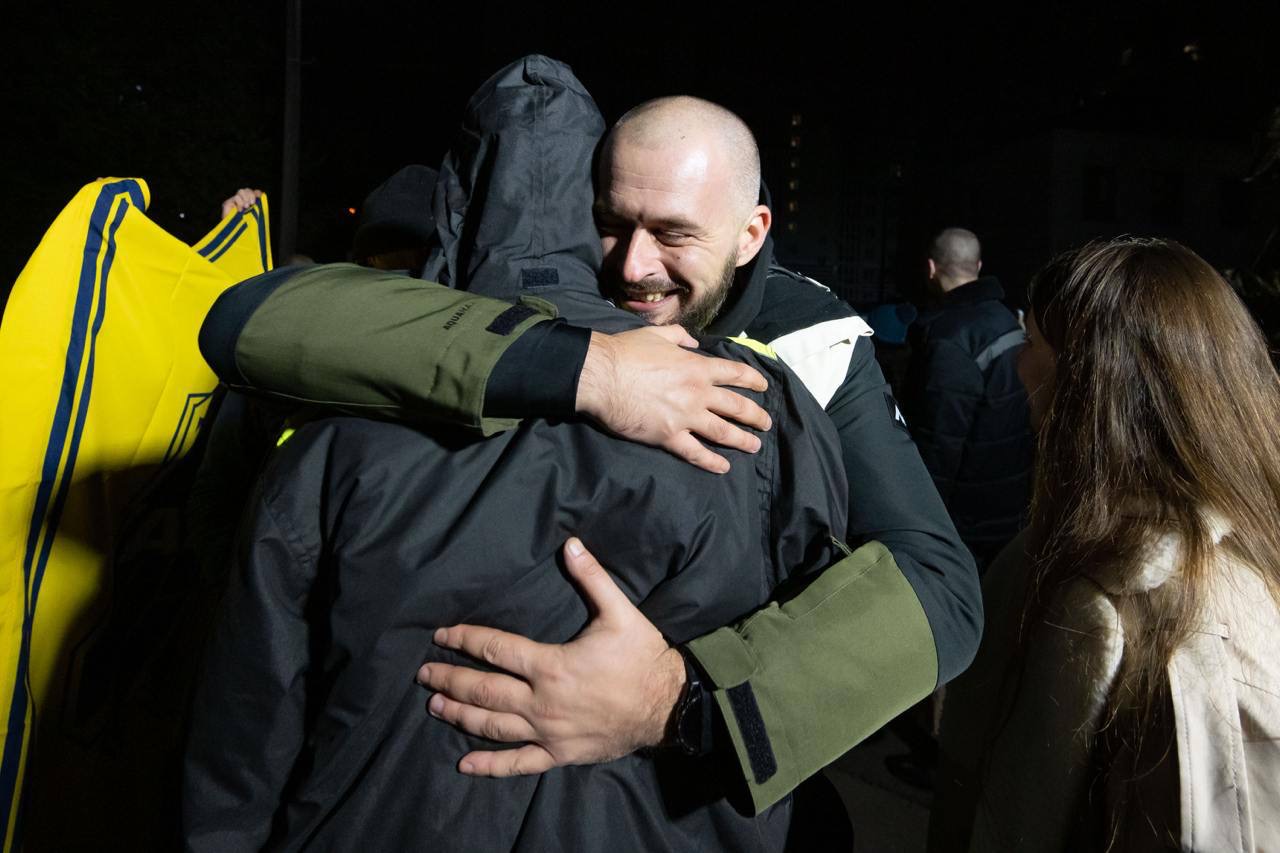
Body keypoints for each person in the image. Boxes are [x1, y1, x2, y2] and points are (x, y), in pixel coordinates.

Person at [197, 55, 980, 812]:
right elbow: (249, 322)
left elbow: (940, 589)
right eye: (611, 223)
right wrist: (590, 367)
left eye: (674, 233)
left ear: (750, 233)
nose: (634, 266)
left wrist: (677, 701)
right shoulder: (548, 302)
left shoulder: (810, 341)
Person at [929, 238, 1280, 851]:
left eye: (1032, 344)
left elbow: (1018, 823)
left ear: (1088, 381)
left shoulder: (1104, 601)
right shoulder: (1252, 547)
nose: (1019, 368)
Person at [902, 228, 1032, 570]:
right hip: (1011, 507)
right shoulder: (1007, 322)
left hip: (967, 524)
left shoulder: (949, 338)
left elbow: (938, 444)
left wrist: (921, 524)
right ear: (978, 266)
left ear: (931, 268)